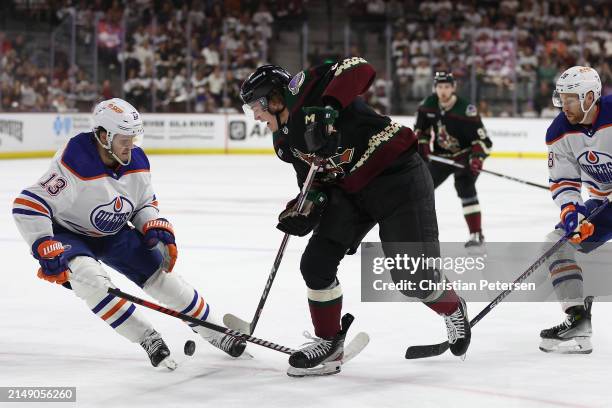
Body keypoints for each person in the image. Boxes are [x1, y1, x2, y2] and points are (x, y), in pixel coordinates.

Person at [239, 60, 471, 377]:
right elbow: (314, 181)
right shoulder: (284, 142)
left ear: (275, 98)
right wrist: (302, 209)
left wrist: (329, 110)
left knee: (414, 280)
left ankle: (453, 307)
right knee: (315, 264)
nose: (255, 116)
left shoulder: (306, 88)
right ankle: (329, 341)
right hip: (350, 193)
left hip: (397, 178)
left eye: (257, 106)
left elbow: (359, 68)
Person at [12, 98, 246, 369]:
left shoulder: (137, 159)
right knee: (92, 283)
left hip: (114, 232)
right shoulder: (76, 158)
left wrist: (152, 223)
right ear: (103, 136)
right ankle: (147, 337)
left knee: (166, 281)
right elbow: (28, 204)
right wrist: (43, 242)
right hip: (70, 233)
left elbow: (144, 203)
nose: (131, 144)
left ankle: (217, 332)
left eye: (133, 137)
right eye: (125, 138)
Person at [540, 66, 611, 354]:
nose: (563, 105)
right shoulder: (558, 131)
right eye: (561, 98)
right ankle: (578, 318)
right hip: (603, 202)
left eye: (570, 99)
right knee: (556, 245)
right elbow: (563, 180)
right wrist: (572, 213)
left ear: (591, 96)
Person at [414, 72, 492, 249]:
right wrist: (423, 146)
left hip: (464, 156)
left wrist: (476, 159)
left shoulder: (466, 110)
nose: (443, 91)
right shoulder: (428, 105)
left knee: (465, 188)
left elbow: (483, 141)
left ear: (453, 88)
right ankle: (413, 234)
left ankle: (476, 234)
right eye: (440, 87)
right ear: (435, 88)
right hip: (441, 157)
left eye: (447, 87)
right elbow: (420, 131)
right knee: (421, 188)